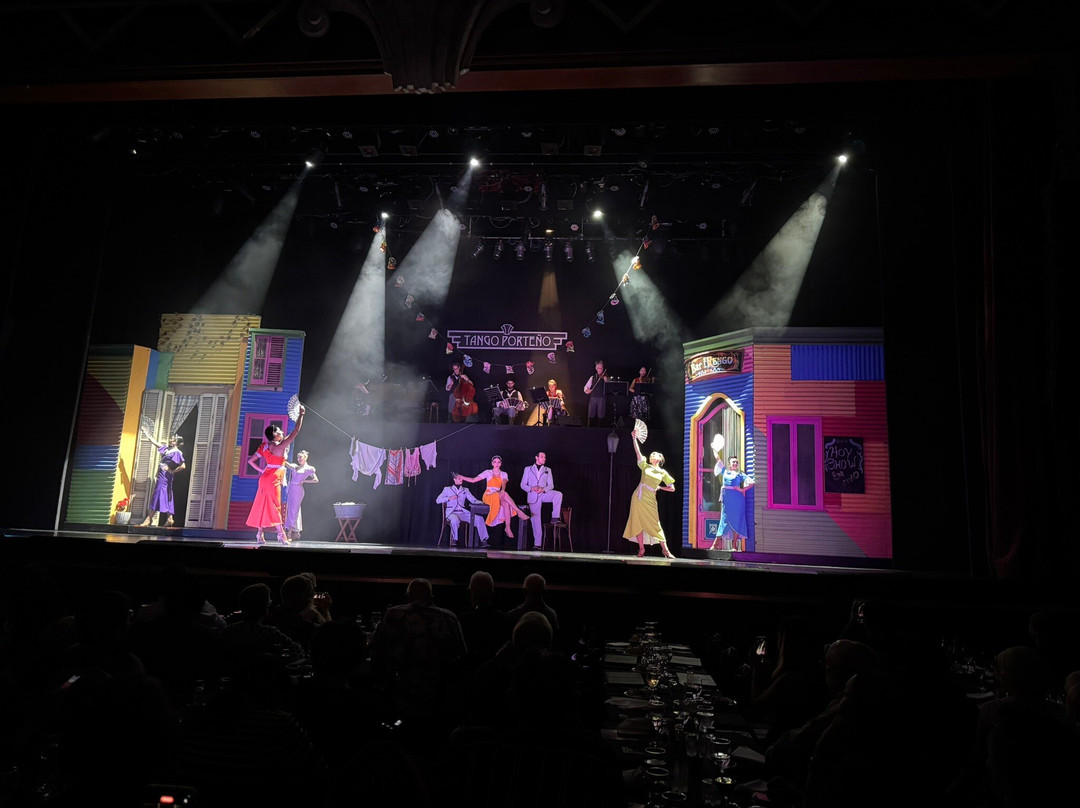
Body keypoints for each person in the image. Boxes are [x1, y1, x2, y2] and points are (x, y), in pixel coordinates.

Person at [245, 406, 305, 544]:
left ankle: (259, 534)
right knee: (275, 505)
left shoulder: (264, 447)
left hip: (265, 477)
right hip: (274, 479)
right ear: (274, 434)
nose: (282, 432)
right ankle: (281, 534)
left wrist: (262, 471)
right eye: (279, 430)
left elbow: (250, 461)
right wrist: (301, 414)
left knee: (263, 504)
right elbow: (296, 431)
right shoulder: (280, 445)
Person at [622, 431, 676, 559]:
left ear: (659, 459)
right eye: (651, 454)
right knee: (637, 522)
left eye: (655, 454)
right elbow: (638, 452)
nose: (652, 455)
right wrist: (634, 439)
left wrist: (660, 487)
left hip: (650, 499)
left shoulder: (662, 473)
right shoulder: (645, 466)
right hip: (638, 497)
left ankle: (665, 550)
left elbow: (672, 488)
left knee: (655, 524)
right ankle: (641, 548)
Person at [458, 456, 530, 540]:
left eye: (498, 462)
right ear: (492, 463)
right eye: (495, 462)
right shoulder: (487, 472)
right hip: (488, 495)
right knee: (504, 494)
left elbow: (504, 483)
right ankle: (519, 512)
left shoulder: (504, 474)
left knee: (506, 504)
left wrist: (502, 490)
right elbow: (473, 480)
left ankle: (507, 527)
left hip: (499, 495)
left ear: (501, 464)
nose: (496, 464)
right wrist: (462, 477)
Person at [519, 451, 564, 550]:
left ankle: (555, 517)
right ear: (536, 458)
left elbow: (551, 485)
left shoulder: (548, 470)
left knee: (558, 494)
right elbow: (522, 484)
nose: (544, 458)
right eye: (542, 457)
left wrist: (543, 489)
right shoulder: (528, 469)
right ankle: (537, 544)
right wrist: (531, 488)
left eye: (545, 457)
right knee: (536, 520)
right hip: (533, 495)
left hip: (543, 493)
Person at [140, 433, 186, 527]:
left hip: (166, 475)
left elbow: (183, 466)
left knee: (158, 494)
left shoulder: (177, 452)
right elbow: (156, 443)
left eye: (173, 440)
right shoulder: (167, 449)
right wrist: (147, 435)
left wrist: (172, 471)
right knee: (167, 495)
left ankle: (149, 518)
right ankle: (169, 518)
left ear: (176, 442)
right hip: (162, 474)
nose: (171, 440)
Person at [710, 456, 755, 551]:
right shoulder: (725, 471)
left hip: (738, 501)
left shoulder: (740, 474)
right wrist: (714, 449)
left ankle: (734, 545)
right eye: (733, 462)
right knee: (724, 520)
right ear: (729, 464)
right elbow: (718, 458)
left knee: (737, 520)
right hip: (727, 500)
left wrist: (741, 489)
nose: (735, 464)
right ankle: (715, 544)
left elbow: (752, 483)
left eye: (736, 462)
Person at [436, 473, 490, 548]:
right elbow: (438, 500)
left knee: (479, 519)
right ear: (454, 480)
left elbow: (473, 500)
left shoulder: (465, 490)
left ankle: (483, 540)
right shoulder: (447, 489)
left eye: (462, 478)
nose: (461, 480)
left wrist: (483, 502)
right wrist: (449, 498)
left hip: (462, 513)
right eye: (459, 478)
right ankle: (454, 539)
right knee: (455, 520)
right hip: (452, 513)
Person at [283, 449, 318, 542]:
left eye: (301, 457)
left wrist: (304, 481)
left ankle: (289, 533)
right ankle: (295, 532)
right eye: (298, 457)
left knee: (294, 510)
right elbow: (285, 463)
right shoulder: (295, 466)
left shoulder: (308, 468)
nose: (299, 459)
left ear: (305, 458)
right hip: (291, 489)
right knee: (291, 510)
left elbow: (316, 480)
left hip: (298, 490)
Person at [583, 359, 608, 427]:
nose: (600, 369)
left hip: (602, 398)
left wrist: (606, 380)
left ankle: (600, 429)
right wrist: (587, 390)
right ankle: (590, 428)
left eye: (601, 368)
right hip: (593, 398)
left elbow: (609, 387)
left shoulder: (605, 377)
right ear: (596, 368)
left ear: (603, 368)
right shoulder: (592, 377)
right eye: (598, 368)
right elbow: (586, 387)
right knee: (591, 414)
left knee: (601, 415)